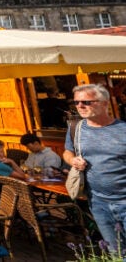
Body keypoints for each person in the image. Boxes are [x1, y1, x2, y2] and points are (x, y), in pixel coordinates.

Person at [63, 83, 126, 248]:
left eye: (86, 102)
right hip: (97, 202)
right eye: (76, 102)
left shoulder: (123, 130)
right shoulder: (76, 128)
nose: (80, 106)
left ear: (104, 103)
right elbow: (67, 152)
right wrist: (72, 161)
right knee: (117, 252)